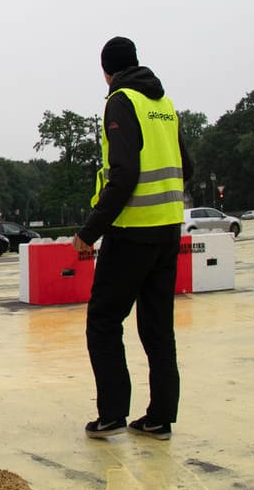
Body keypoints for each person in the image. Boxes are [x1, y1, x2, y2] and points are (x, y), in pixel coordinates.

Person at [72, 36, 191, 440]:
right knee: (158, 327)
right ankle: (160, 417)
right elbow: (185, 165)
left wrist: (89, 232)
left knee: (103, 320)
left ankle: (112, 414)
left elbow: (123, 174)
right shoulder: (164, 105)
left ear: (107, 70)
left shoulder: (120, 101)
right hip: (168, 229)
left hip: (132, 231)